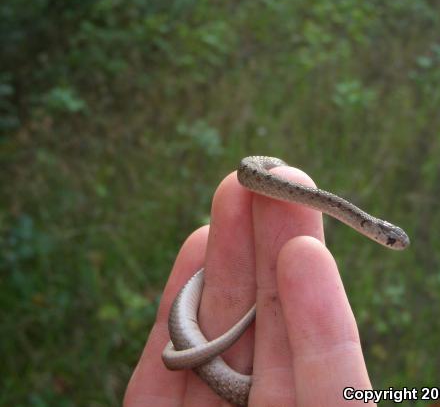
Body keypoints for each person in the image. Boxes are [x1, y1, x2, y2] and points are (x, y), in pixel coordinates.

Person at [124, 166, 375, 406]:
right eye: (391, 240)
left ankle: (191, 347)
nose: (392, 243)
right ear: (368, 226)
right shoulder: (256, 171)